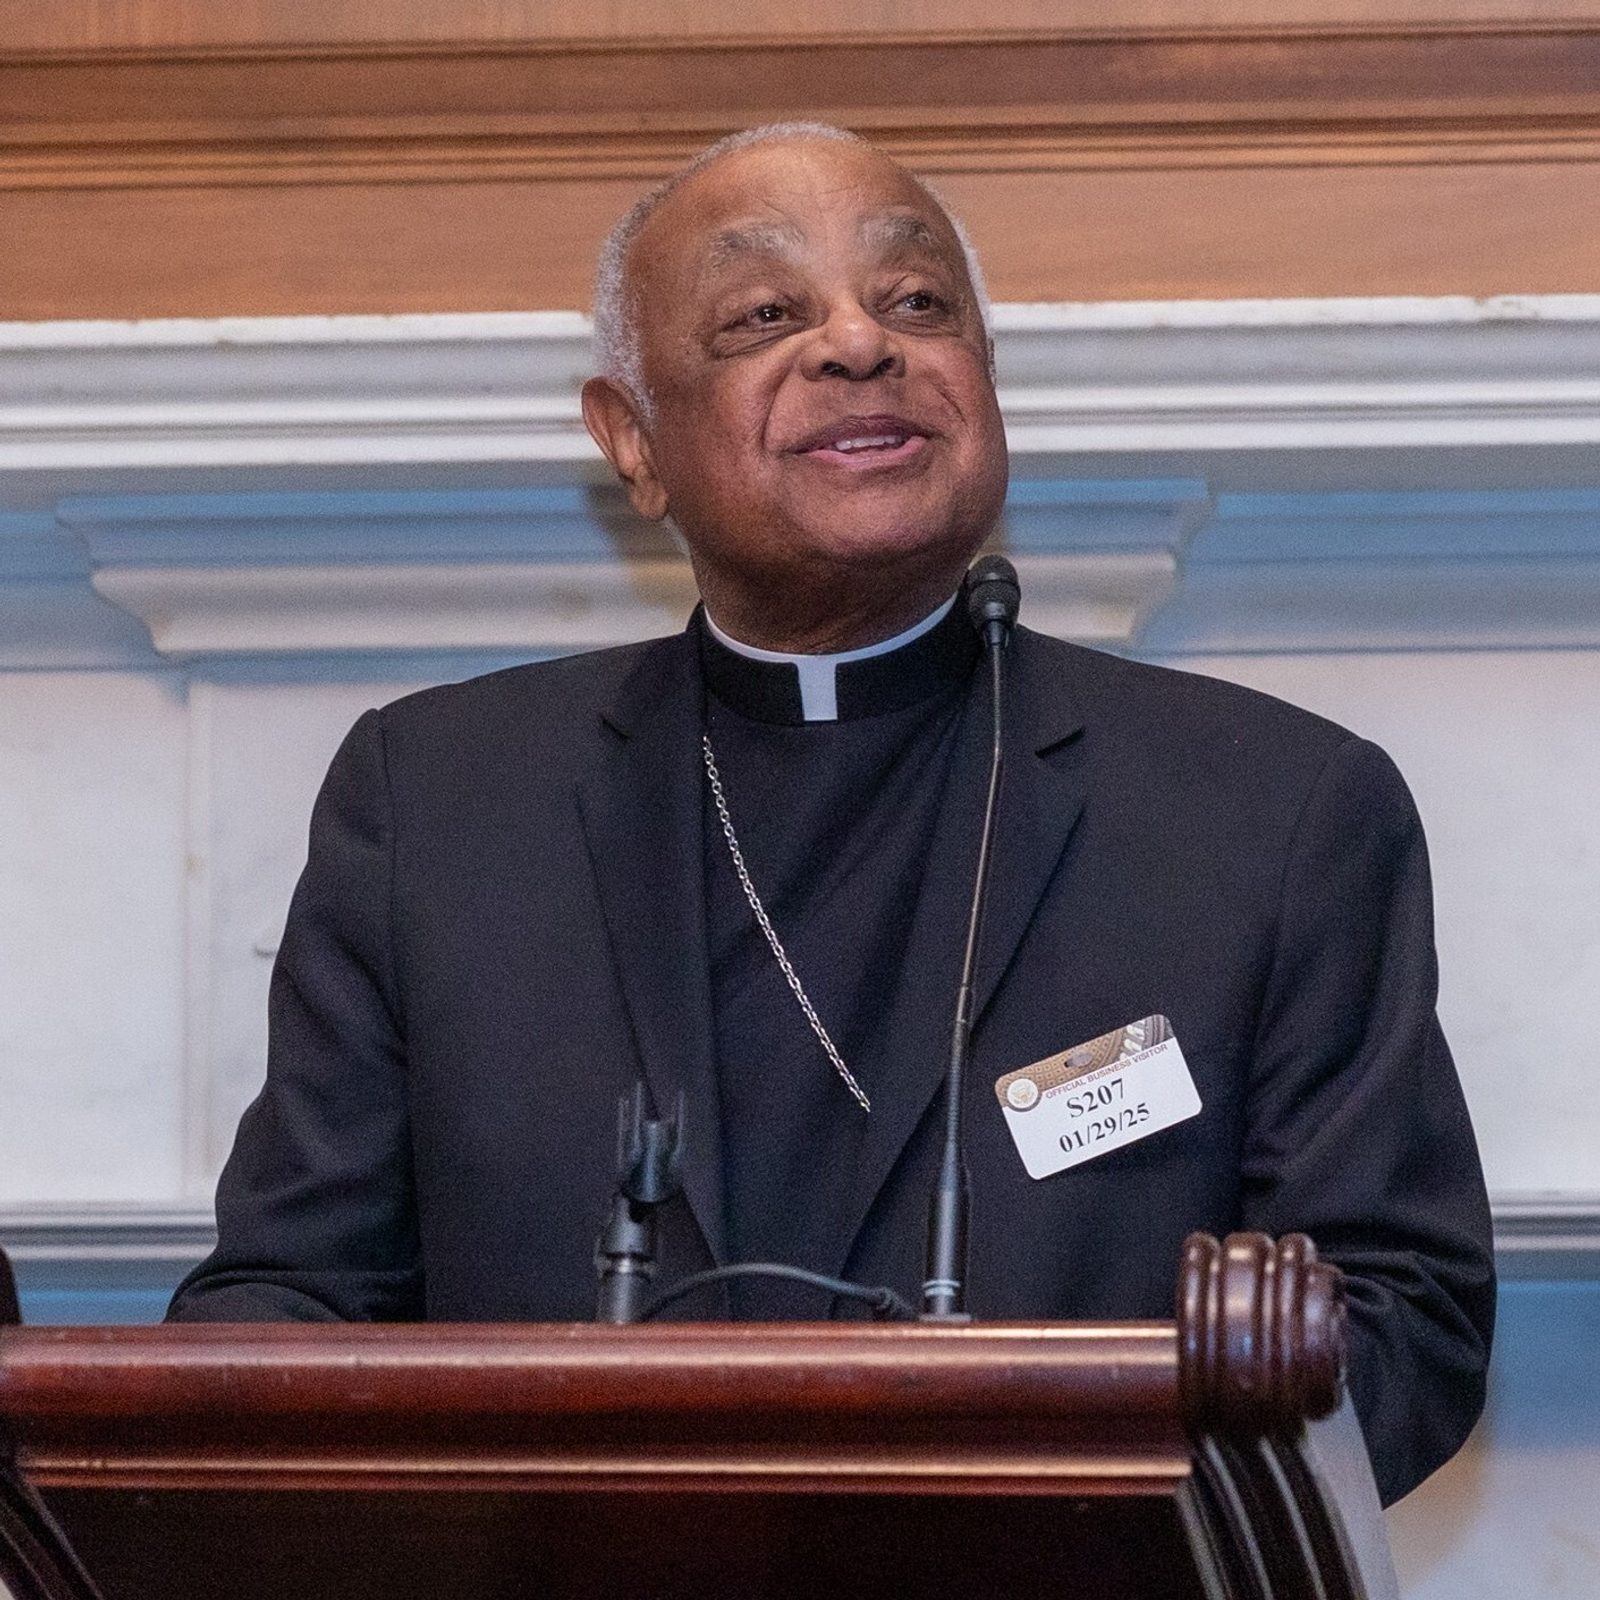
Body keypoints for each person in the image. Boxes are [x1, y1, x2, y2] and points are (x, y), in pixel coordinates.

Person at [169, 123, 1494, 1505]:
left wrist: (1088, 1515)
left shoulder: (1268, 810)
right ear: (632, 441)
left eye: (918, 303)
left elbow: (1404, 1320)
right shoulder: (438, 805)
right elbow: (292, 1303)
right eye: (765, 315)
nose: (861, 345)